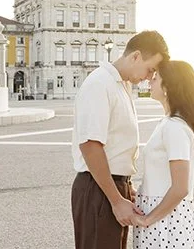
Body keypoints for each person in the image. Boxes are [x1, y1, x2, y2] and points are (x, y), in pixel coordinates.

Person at [71, 30, 169, 249]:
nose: (149, 76)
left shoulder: (121, 85)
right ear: (135, 56)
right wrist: (115, 199)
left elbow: (115, 145)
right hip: (98, 189)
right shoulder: (100, 83)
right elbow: (90, 145)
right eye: (150, 68)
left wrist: (126, 187)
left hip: (112, 186)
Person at [132, 60, 194, 247]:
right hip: (162, 215)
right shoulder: (169, 123)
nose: (149, 80)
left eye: (156, 77)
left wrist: (147, 220)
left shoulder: (174, 127)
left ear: (169, 87)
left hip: (167, 221)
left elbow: (180, 187)